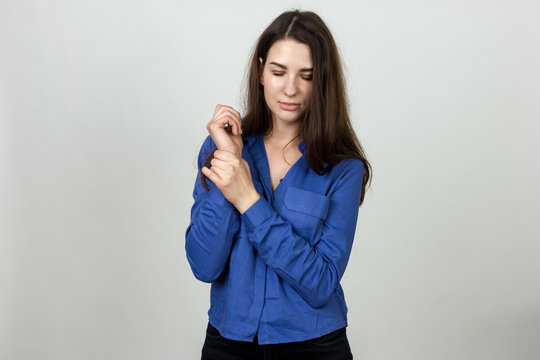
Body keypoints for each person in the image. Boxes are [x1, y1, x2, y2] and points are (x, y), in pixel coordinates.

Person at [185, 9, 371, 360]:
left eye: (307, 75)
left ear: (323, 81)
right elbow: (203, 265)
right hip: (228, 345)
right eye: (278, 71)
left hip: (315, 348)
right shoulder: (221, 148)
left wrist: (250, 201)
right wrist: (233, 165)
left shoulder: (344, 168)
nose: (290, 88)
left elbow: (321, 283)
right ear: (260, 71)